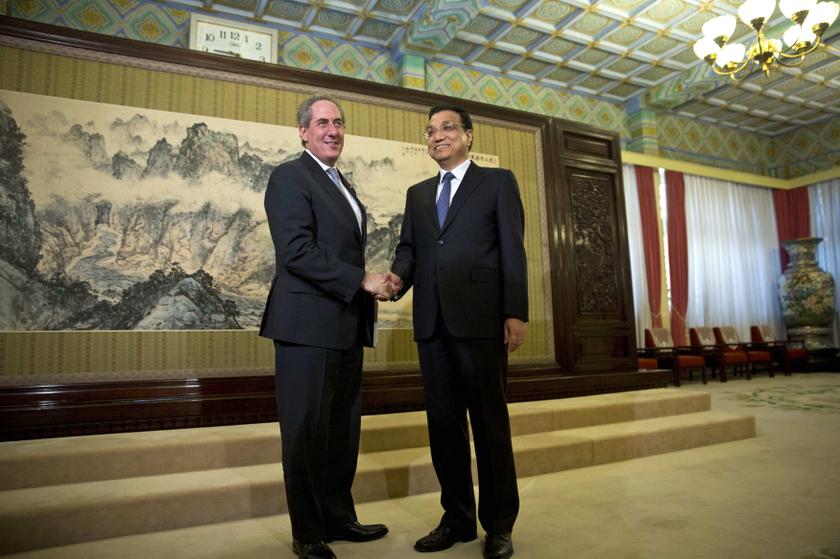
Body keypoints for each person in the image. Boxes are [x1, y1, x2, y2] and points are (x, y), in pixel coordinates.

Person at [386, 104, 528, 559]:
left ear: (468, 135)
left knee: (490, 426)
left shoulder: (498, 182)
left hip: (483, 321)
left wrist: (515, 311)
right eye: (429, 131)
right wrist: (395, 280)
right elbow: (409, 251)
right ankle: (458, 519)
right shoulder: (418, 194)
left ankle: (499, 524)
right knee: (444, 428)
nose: (436, 136)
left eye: (447, 128)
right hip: (432, 324)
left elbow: (513, 250)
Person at [260, 96, 393, 559]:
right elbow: (295, 250)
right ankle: (308, 532)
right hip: (305, 327)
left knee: (341, 431)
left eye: (338, 122)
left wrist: (376, 281)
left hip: (345, 326)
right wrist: (362, 280)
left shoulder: (341, 183)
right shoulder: (289, 177)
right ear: (303, 131)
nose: (332, 130)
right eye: (322, 123)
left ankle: (339, 518)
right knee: (306, 432)